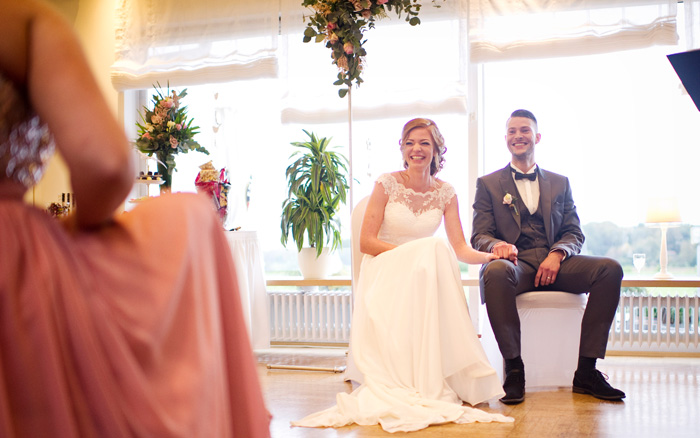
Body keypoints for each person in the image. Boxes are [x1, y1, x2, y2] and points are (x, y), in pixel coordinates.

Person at [0, 1, 270, 437]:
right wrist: (61, 231)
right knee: (188, 217)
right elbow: (106, 166)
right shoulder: (22, 19)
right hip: (9, 256)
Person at [292, 118, 513, 433]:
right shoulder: (386, 184)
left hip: (422, 273)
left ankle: (445, 371)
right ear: (402, 148)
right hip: (385, 266)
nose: (416, 149)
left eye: (424, 143)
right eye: (410, 143)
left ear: (436, 150)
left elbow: (460, 248)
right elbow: (366, 242)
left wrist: (491, 255)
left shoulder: (446, 193)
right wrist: (410, 255)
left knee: (435, 250)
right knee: (432, 248)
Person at [471, 109, 625, 405]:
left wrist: (557, 253)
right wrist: (498, 246)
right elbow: (480, 235)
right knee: (495, 271)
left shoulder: (560, 182)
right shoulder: (488, 184)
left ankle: (587, 372)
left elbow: (574, 232)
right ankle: (514, 370)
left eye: (525, 130)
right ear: (506, 138)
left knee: (610, 269)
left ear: (537, 137)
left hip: (557, 263)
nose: (518, 136)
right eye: (512, 131)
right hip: (516, 265)